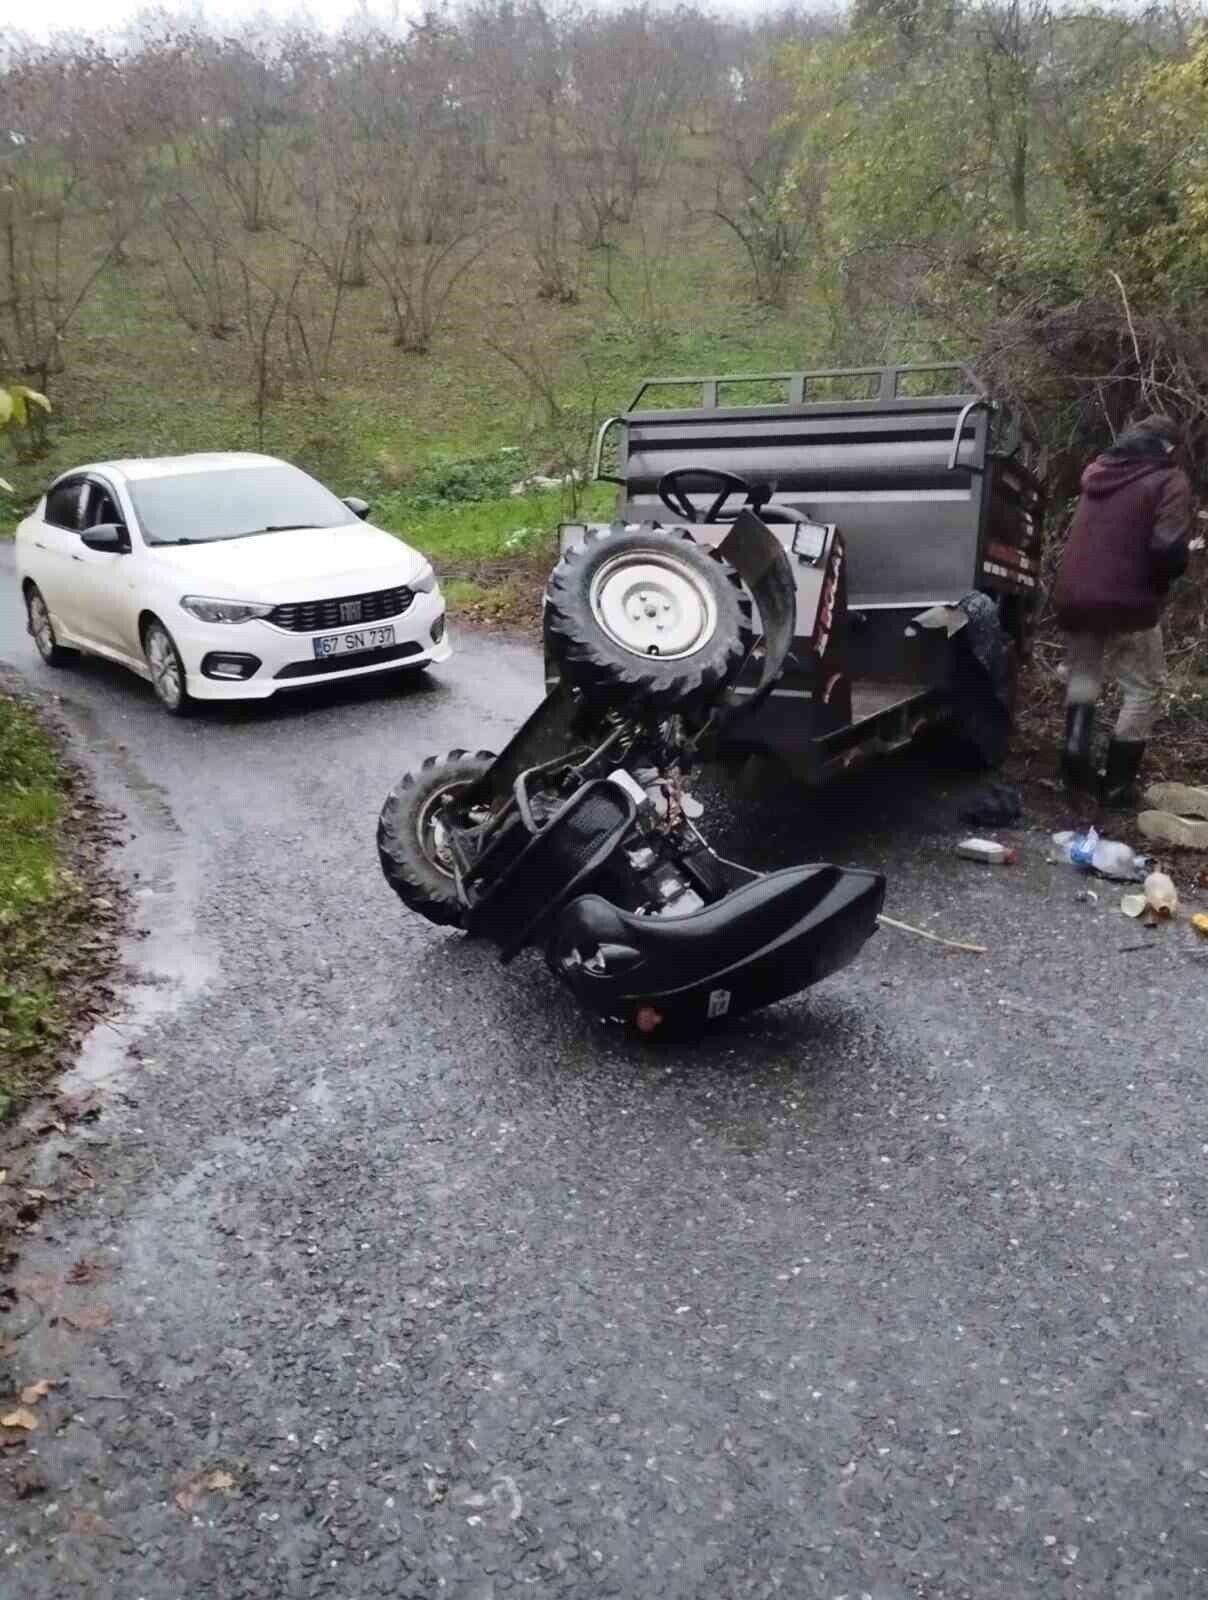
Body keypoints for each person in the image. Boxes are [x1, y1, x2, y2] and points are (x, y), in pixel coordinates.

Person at [1052, 413, 1192, 804]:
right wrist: (1170, 574)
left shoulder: (1097, 471)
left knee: (1085, 673)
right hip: (1127, 600)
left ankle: (1073, 761)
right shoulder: (1169, 478)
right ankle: (1117, 785)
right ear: (1169, 447)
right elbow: (1167, 547)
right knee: (1145, 686)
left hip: (1074, 595)